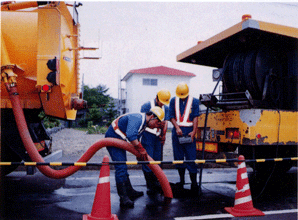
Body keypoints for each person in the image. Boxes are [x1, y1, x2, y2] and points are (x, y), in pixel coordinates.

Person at [105, 106, 165, 208]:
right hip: (113, 139)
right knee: (121, 167)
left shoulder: (143, 125)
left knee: (123, 166)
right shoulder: (137, 118)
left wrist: (138, 152)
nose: (156, 127)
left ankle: (129, 191)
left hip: (120, 140)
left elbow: (136, 138)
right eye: (157, 123)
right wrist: (141, 149)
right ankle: (123, 198)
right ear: (152, 117)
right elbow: (131, 135)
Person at [169, 82, 200, 194]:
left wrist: (194, 132)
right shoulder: (173, 101)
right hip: (177, 132)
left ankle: (194, 183)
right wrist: (177, 127)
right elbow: (171, 116)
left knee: (191, 157)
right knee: (178, 158)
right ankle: (181, 181)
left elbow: (196, 117)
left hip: (189, 131)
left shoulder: (195, 101)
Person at [140, 89, 171, 194]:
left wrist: (164, 135)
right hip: (148, 134)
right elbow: (144, 121)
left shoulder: (166, 107)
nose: (162, 104)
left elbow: (165, 122)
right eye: (161, 101)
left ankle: (157, 181)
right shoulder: (147, 106)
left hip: (158, 136)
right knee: (148, 159)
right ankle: (150, 184)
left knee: (157, 159)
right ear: (157, 98)